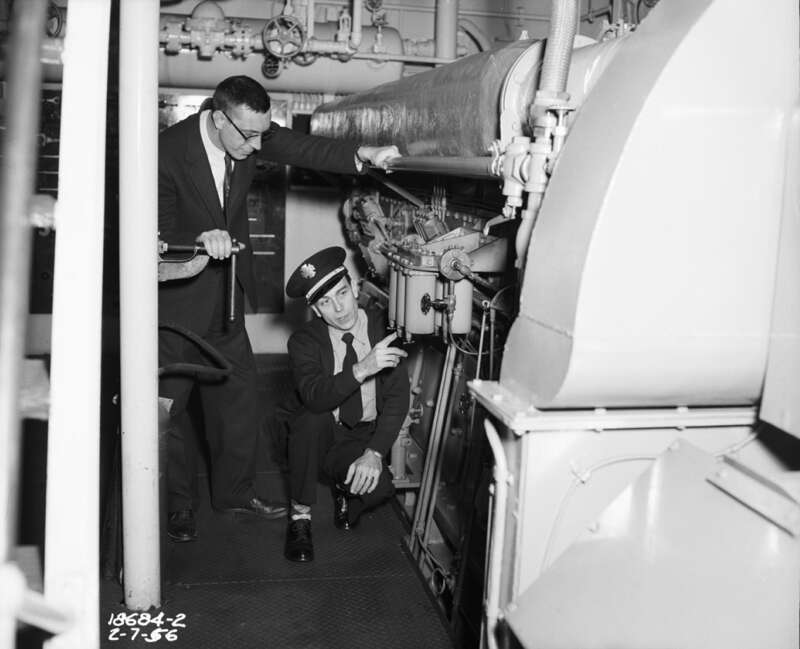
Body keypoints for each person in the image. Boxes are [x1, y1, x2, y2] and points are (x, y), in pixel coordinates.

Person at [158, 75, 400, 542]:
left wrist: (360, 157)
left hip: (226, 296)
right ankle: (178, 507)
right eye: (248, 135)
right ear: (217, 116)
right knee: (172, 414)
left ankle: (233, 492)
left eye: (260, 134)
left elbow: (302, 148)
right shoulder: (166, 154)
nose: (256, 144)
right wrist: (197, 246)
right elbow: (155, 242)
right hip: (177, 309)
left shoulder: (251, 132)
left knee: (237, 403)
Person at [279, 246, 410, 562]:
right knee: (310, 417)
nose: (339, 309)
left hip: (365, 433)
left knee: (380, 488)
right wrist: (364, 367)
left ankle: (345, 490)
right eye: (326, 302)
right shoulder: (304, 341)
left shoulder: (385, 329)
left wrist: (375, 453)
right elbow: (315, 395)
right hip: (324, 432)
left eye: (341, 294)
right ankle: (299, 517)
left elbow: (397, 399)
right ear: (316, 310)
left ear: (354, 288)